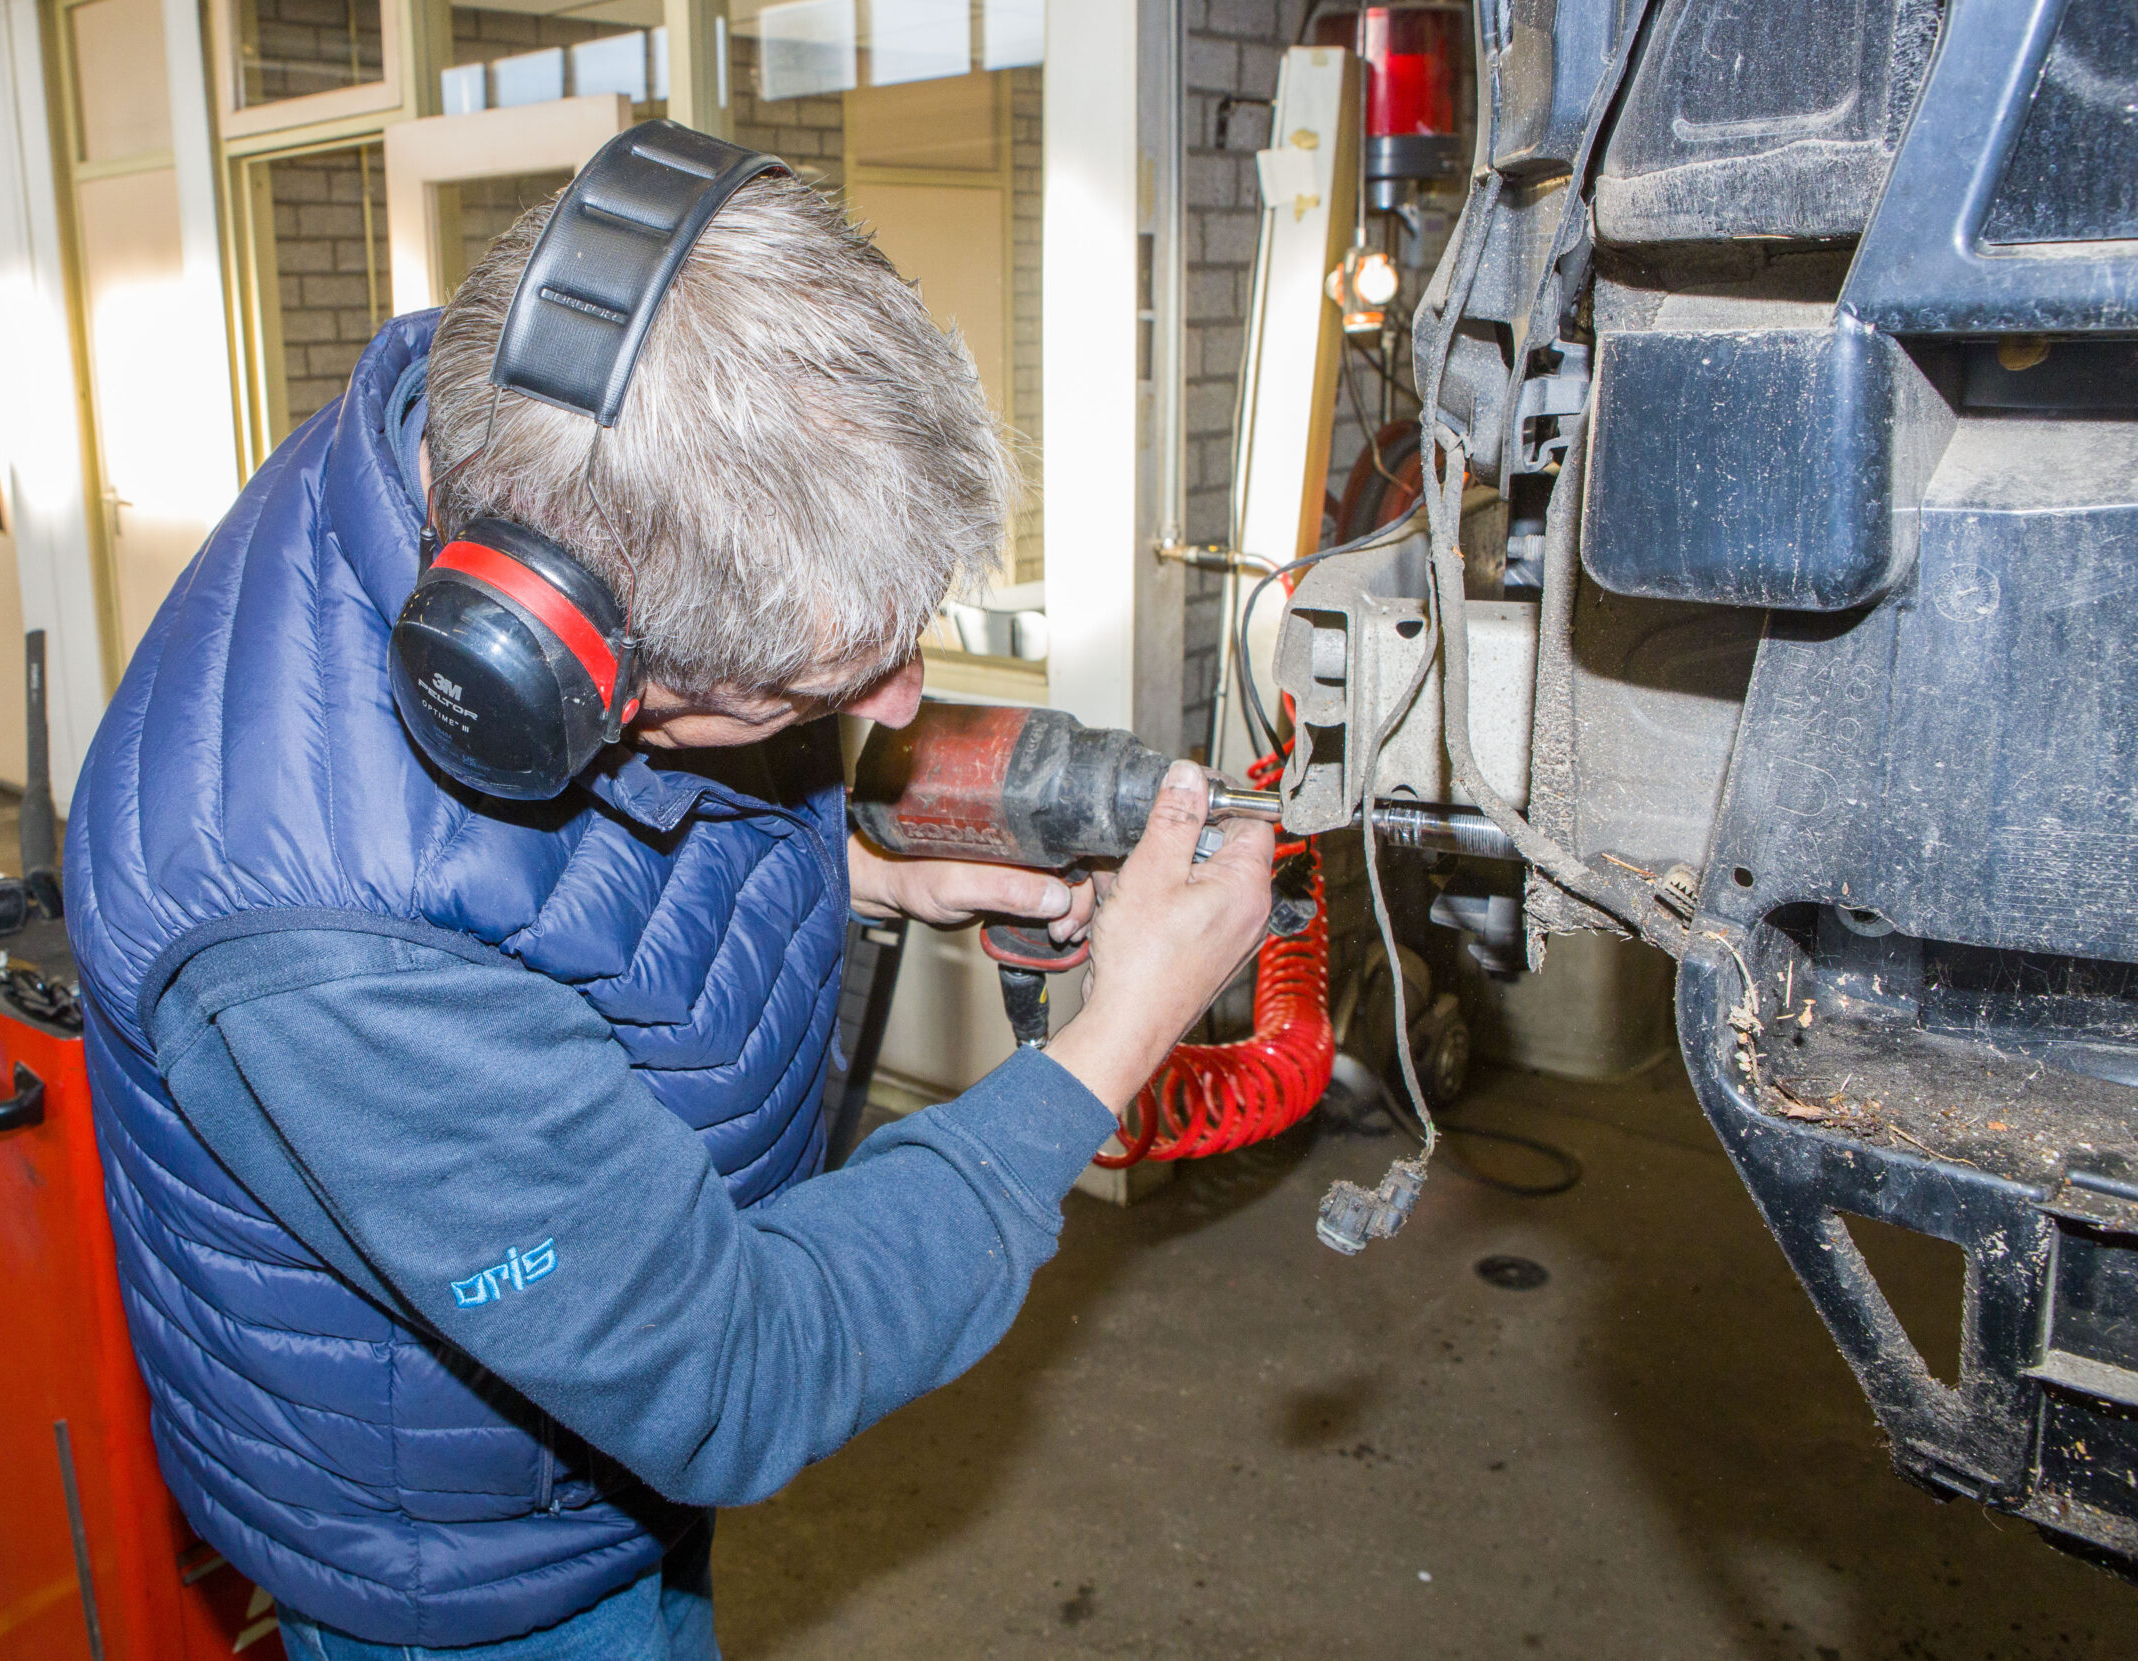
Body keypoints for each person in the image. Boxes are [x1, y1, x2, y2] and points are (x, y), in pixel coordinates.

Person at [64, 127, 1272, 1661]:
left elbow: (552, 876)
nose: (903, 709)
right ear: (557, 677)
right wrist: (1114, 1038)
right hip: (481, 1575)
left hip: (587, 1456)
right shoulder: (325, 960)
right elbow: (736, 1374)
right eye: (830, 683)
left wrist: (848, 854)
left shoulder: (502, 431)